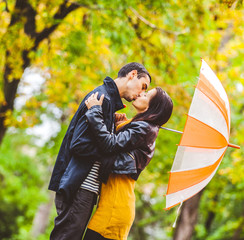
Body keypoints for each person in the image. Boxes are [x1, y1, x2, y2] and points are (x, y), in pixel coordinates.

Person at [48, 62, 151, 240]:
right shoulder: (102, 99)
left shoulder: (107, 102)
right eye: (143, 87)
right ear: (132, 74)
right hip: (79, 184)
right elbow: (79, 144)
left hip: (85, 186)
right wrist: (112, 149)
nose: (141, 94)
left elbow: (92, 140)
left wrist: (113, 128)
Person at [83, 87, 173, 240]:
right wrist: (118, 125)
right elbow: (117, 145)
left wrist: (95, 112)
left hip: (115, 208)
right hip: (113, 205)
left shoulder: (144, 128)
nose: (140, 93)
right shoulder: (142, 126)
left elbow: (109, 144)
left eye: (146, 94)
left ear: (153, 107)